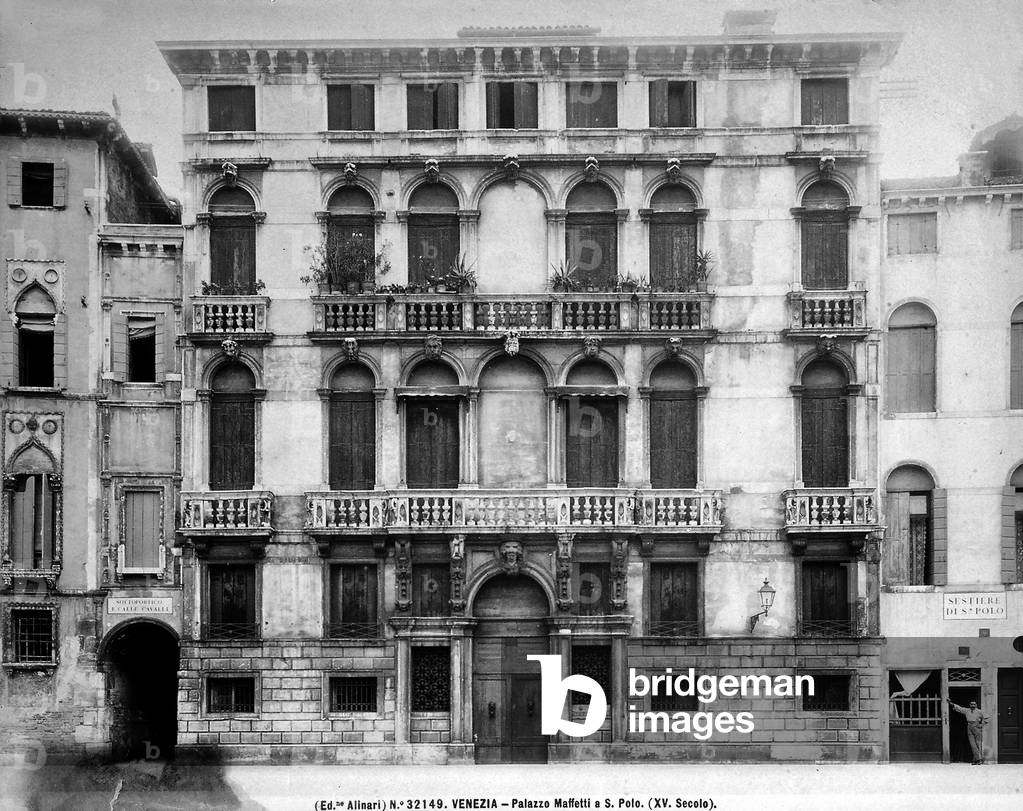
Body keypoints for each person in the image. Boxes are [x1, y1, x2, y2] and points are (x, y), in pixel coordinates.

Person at [948, 699, 990, 764]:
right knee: (972, 744)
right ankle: (977, 759)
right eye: (971, 704)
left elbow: (987, 718)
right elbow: (959, 708)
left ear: (976, 705)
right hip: (969, 726)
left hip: (976, 727)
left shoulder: (979, 711)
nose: (972, 705)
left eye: (974, 704)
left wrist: (981, 724)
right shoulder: (967, 710)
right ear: (969, 705)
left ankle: (977, 760)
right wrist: (951, 703)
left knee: (978, 744)